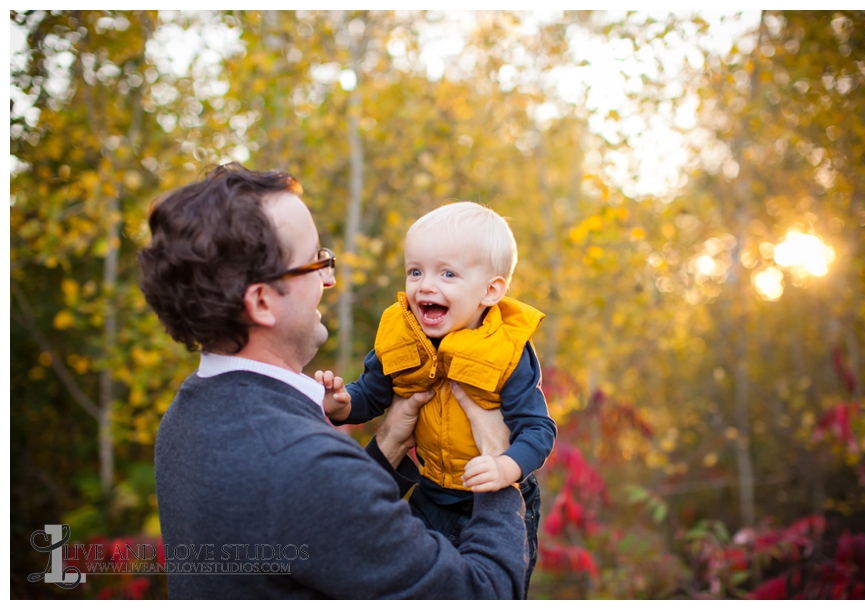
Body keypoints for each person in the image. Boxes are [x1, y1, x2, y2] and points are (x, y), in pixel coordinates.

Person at [138, 164, 528, 599]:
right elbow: (482, 595)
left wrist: (387, 448)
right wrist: (499, 474)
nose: (330, 277)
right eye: (315, 262)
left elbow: (317, 536)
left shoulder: (188, 415)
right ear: (263, 301)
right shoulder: (301, 464)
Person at [316, 202, 556, 594]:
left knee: (489, 590)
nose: (425, 286)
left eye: (448, 273)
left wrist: (507, 468)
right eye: (415, 271)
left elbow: (538, 429)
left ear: (491, 290)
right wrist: (345, 405)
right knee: (405, 580)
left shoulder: (507, 351)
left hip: (498, 497)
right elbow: (374, 392)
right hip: (431, 491)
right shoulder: (402, 335)